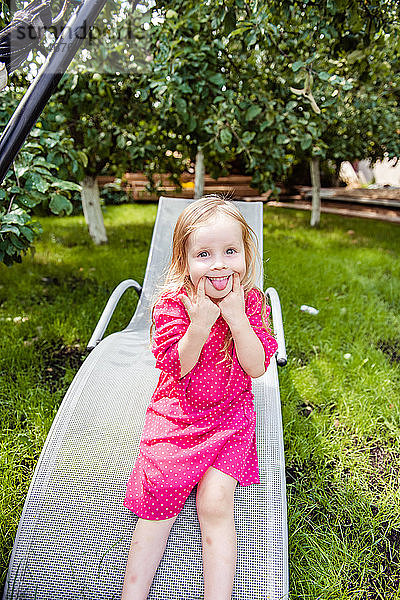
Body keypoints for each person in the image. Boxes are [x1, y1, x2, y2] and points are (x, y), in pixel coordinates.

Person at [121, 195, 278, 600]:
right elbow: (177, 366)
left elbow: (258, 367)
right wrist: (202, 323)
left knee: (214, 502)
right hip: (180, 412)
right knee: (160, 494)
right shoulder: (174, 305)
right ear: (184, 261)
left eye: (230, 251)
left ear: (246, 253)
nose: (220, 264)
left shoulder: (251, 301)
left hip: (228, 416)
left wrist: (238, 319)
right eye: (204, 254)